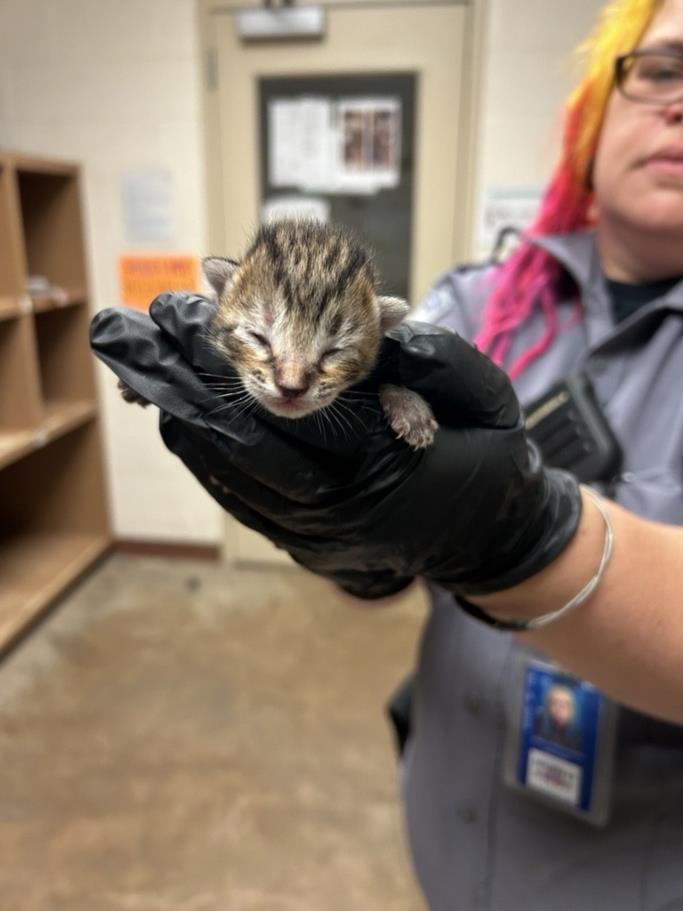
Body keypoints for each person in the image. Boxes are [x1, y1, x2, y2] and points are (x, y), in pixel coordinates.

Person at [90, 0, 683, 905]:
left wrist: (528, 537)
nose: (681, 104)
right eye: (663, 68)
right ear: (598, 103)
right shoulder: (485, 297)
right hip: (450, 820)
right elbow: (368, 510)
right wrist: (355, 551)